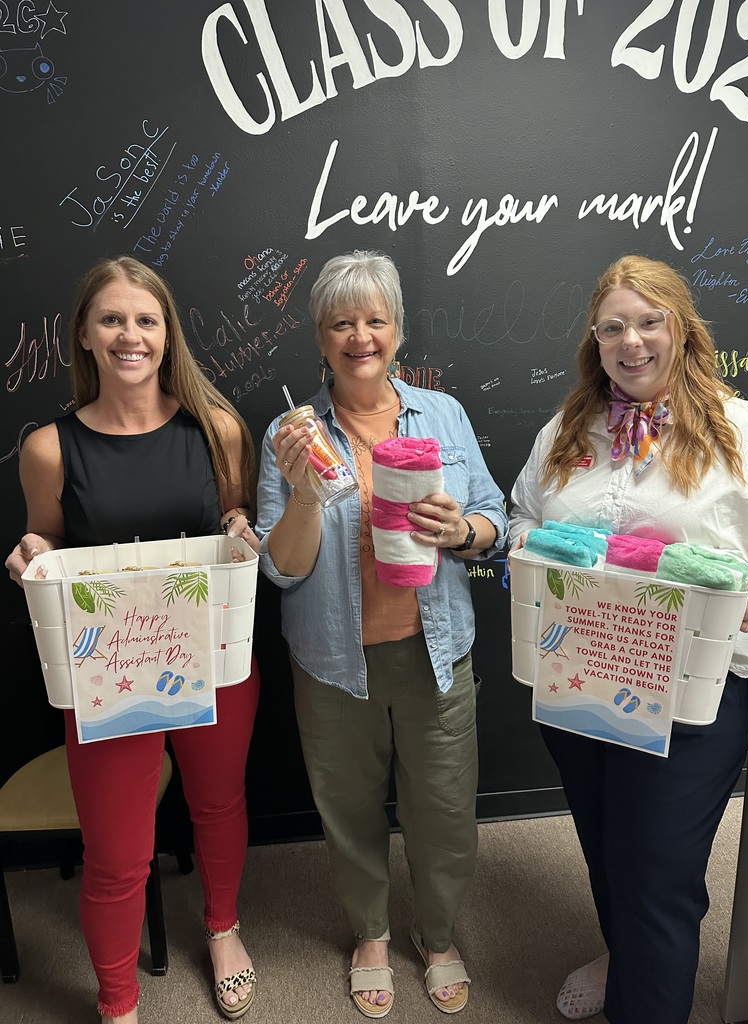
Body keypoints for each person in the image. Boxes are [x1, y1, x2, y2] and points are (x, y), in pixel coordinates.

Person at [508, 254, 748, 1024]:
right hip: (581, 677)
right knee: (606, 841)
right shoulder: (567, 429)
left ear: (680, 327)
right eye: (614, 326)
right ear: (595, 339)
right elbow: (523, 518)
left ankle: (645, 987)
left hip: (695, 689)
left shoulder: (742, 427)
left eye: (649, 321)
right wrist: (546, 550)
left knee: (659, 871)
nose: (632, 341)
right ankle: (622, 946)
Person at [5, 256, 261, 1024]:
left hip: (213, 654)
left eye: (146, 320)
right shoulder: (49, 448)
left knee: (218, 803)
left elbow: (235, 516)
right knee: (117, 854)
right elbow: (44, 537)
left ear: (166, 332)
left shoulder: (215, 428)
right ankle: (118, 1004)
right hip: (108, 669)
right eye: (112, 319)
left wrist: (241, 529)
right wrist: (27, 552)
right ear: (83, 334)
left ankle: (223, 928)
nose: (130, 335)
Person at [256, 250, 507, 1017]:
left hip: (436, 655)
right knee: (349, 807)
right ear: (320, 335)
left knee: (444, 810)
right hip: (334, 663)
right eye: (342, 322)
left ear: (397, 330)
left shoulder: (447, 415)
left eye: (375, 319)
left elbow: (497, 520)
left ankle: (436, 935)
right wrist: (302, 492)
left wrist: (462, 528)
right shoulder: (291, 432)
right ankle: (369, 933)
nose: (359, 336)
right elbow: (282, 572)